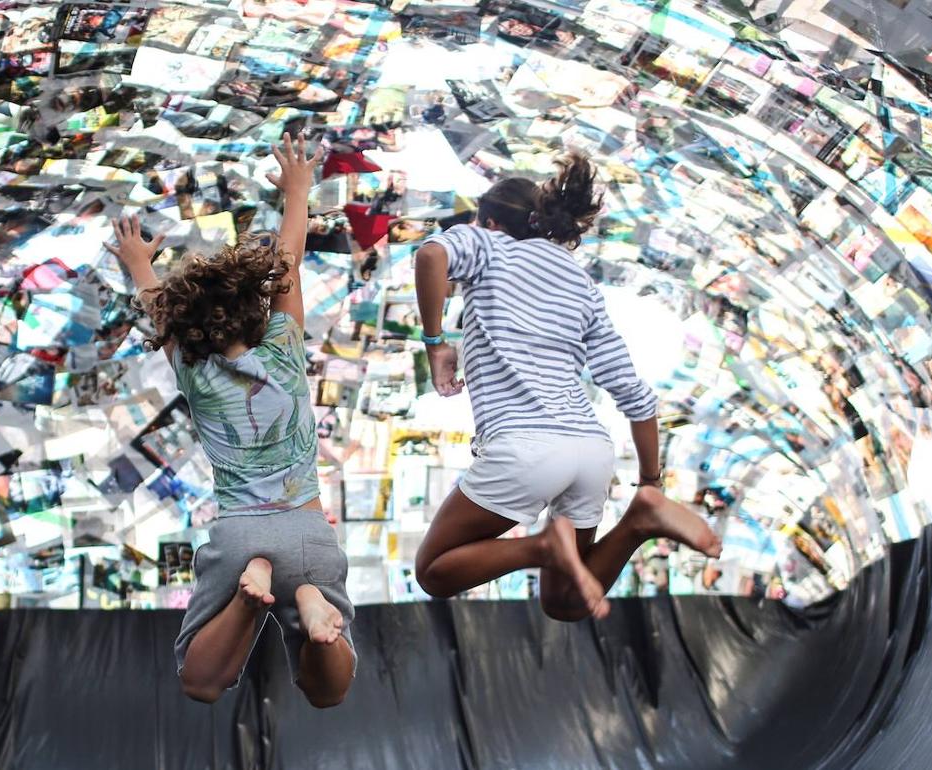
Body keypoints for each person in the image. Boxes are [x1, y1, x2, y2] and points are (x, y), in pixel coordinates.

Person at [412, 152, 722, 620]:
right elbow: (636, 397)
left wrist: (435, 343)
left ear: (490, 223)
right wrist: (651, 482)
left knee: (434, 570)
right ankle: (641, 519)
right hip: (590, 451)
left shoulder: (491, 246)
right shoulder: (581, 285)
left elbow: (431, 255)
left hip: (526, 447)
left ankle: (541, 546)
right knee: (565, 603)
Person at [107, 136, 356, 708]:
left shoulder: (193, 367)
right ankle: (313, 603)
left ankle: (248, 601)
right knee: (329, 690)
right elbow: (289, 257)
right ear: (255, 306)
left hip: (241, 532)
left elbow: (157, 306)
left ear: (185, 325)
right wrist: (298, 190)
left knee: (200, 681)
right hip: (308, 530)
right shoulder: (285, 345)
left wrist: (140, 263)